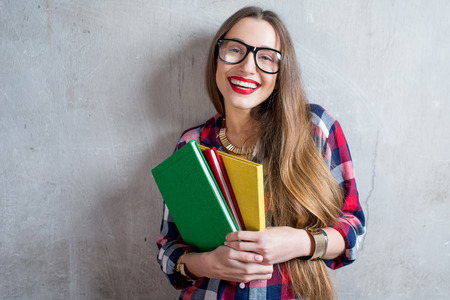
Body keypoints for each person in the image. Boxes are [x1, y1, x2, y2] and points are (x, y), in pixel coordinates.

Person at [157, 6, 365, 300]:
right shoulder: (192, 144)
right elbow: (169, 248)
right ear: (216, 57)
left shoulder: (315, 128)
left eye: (266, 57)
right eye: (234, 50)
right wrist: (206, 263)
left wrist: (300, 242)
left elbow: (353, 228)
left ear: (282, 72)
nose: (247, 67)